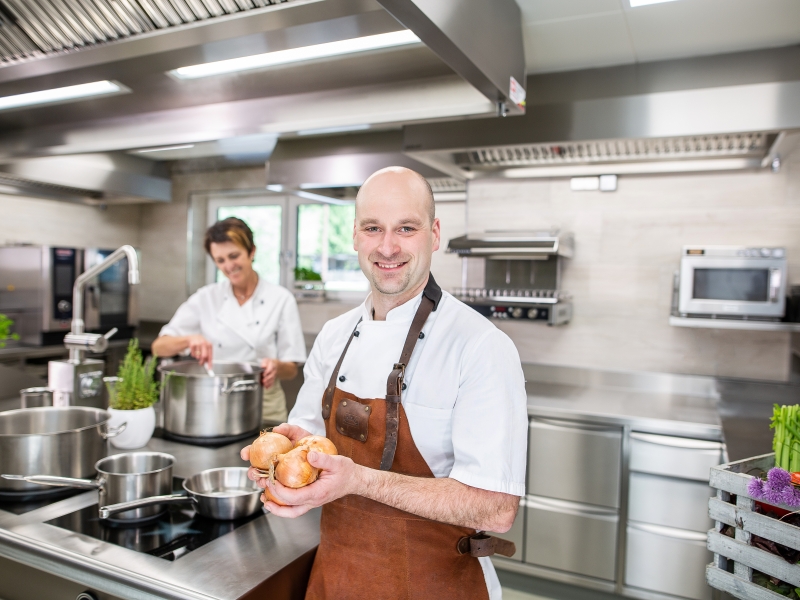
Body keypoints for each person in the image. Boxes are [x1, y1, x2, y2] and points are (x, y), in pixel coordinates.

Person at [241, 167, 528, 599]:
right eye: (373, 228)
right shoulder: (334, 335)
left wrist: (359, 480)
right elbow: (308, 444)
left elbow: (496, 507)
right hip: (336, 578)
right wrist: (283, 471)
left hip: (437, 585)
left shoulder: (481, 346)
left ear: (434, 234)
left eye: (406, 228)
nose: (388, 247)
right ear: (355, 236)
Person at [152, 217, 306, 424]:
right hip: (214, 402)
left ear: (251, 251)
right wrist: (188, 340)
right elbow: (158, 347)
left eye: (234, 256)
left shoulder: (280, 299)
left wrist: (276, 366)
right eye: (220, 260)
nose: (229, 266)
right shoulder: (206, 297)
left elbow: (291, 369)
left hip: (263, 404)